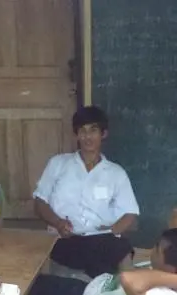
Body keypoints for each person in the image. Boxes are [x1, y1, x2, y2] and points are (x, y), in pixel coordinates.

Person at [33, 106, 140, 278]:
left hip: (101, 239)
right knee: (74, 274)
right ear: (76, 135)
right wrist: (58, 223)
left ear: (103, 134)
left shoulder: (116, 173)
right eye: (82, 131)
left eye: (93, 130)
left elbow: (130, 212)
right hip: (65, 239)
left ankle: (124, 289)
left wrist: (113, 231)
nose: (87, 137)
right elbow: (40, 201)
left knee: (122, 249)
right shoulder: (58, 164)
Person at [32, 229, 177, 295]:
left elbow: (129, 279)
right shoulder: (162, 273)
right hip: (95, 284)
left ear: (171, 269)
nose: (152, 250)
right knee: (116, 245)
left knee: (36, 285)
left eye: (157, 249)